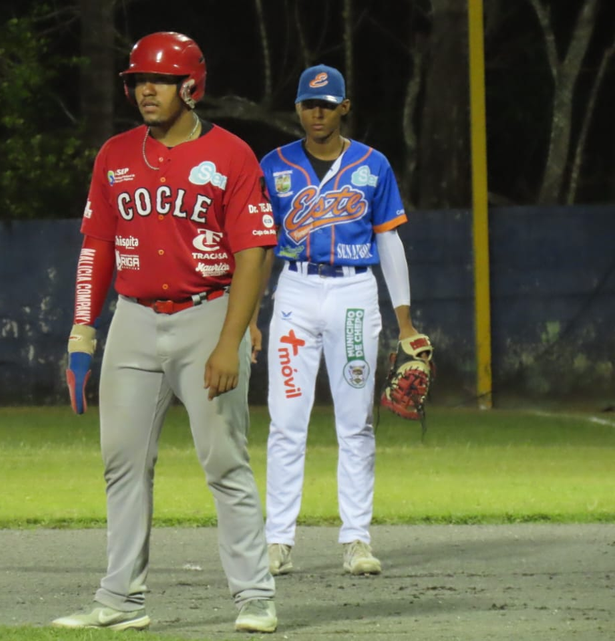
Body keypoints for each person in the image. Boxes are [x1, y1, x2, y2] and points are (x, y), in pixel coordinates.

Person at [52, 32, 278, 633]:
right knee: (121, 463)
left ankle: (255, 596)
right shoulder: (115, 154)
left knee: (225, 463)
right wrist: (82, 330)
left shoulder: (231, 155)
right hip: (132, 319)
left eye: (158, 80)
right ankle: (120, 599)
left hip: (209, 315)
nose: (144, 90)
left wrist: (230, 341)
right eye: (137, 80)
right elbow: (97, 247)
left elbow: (253, 255)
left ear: (190, 86)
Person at [252, 64, 422, 577]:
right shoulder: (274, 165)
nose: (318, 113)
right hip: (295, 290)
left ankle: (356, 539)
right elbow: (260, 247)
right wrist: (251, 317)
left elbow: (389, 240)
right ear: (298, 109)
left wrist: (406, 323)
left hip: (353, 292)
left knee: (356, 423)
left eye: (327, 105)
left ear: (344, 107)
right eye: (309, 104)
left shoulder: (373, 164)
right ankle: (277, 540)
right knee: (286, 422)